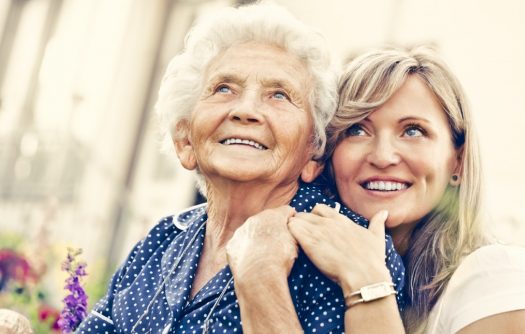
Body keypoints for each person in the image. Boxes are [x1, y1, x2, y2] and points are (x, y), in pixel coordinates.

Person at [75, 3, 405, 334]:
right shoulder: (163, 238)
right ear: (185, 142)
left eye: (279, 95)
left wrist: (261, 278)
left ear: (314, 153)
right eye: (223, 89)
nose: (246, 110)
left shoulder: (349, 251)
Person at [235, 47, 525, 333]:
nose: (382, 156)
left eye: (413, 131)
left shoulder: (493, 277)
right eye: (357, 130)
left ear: (458, 162)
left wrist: (366, 281)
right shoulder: (311, 274)